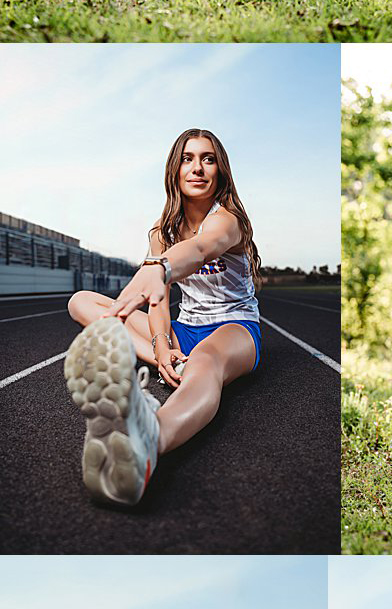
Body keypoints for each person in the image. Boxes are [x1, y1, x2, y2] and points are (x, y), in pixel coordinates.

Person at [64, 128, 262, 506]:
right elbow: (159, 301)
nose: (197, 168)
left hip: (234, 328)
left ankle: (150, 440)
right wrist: (161, 346)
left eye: (208, 159)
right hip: (184, 329)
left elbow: (201, 248)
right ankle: (170, 363)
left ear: (220, 170)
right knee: (82, 302)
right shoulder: (161, 231)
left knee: (207, 360)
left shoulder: (227, 221)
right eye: (188, 159)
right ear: (175, 169)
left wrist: (160, 267)